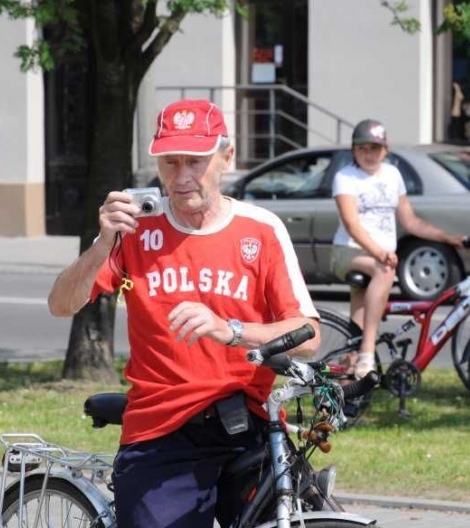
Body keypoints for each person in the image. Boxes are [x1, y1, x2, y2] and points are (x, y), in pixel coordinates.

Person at [47, 98, 320, 528]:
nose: (182, 176)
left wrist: (230, 330)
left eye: (196, 161)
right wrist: (102, 244)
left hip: (247, 422)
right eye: (170, 163)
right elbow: (61, 304)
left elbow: (308, 334)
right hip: (162, 430)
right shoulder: (135, 233)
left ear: (226, 158)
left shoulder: (261, 230)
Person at [330, 119, 465, 379]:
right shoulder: (345, 177)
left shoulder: (393, 175)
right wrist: (379, 251)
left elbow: (411, 221)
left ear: (386, 150)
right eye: (362, 148)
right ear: (353, 150)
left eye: (375, 148)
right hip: (348, 251)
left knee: (360, 314)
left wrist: (448, 237)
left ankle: (350, 375)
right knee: (384, 270)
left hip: (378, 255)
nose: (369, 154)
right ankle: (368, 352)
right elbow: (351, 224)